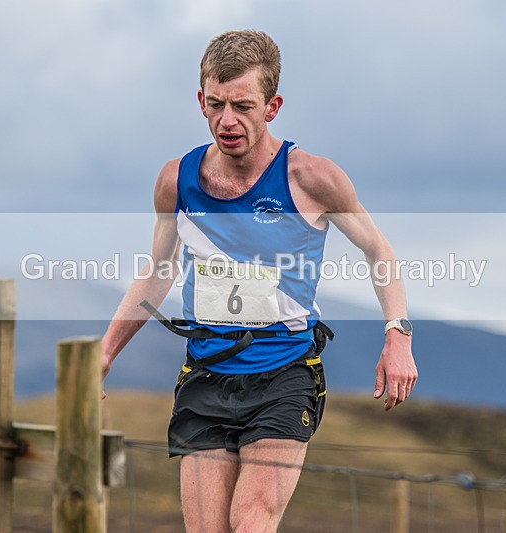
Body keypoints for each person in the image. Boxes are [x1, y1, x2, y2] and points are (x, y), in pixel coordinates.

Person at [101, 29, 418, 533]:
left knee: (250, 522)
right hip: (206, 373)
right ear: (200, 100)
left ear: (272, 106)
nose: (227, 121)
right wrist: (105, 352)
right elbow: (160, 271)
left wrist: (397, 335)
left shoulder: (311, 178)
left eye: (243, 105)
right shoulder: (175, 181)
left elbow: (378, 250)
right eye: (216, 104)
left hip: (284, 374)